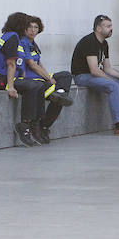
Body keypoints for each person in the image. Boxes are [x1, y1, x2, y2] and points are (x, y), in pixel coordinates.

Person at [0, 12, 45, 147]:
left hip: (0, 77)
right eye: (27, 25)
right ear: (21, 25)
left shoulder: (11, 36)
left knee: (38, 86)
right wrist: (10, 87)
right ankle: (24, 125)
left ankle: (35, 123)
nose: (29, 29)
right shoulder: (12, 38)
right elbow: (11, 64)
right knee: (31, 86)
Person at [20, 15, 75, 145]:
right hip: (31, 80)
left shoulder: (34, 44)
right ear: (25, 29)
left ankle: (59, 95)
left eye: (36, 27)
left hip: (40, 77)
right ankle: (43, 125)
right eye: (30, 27)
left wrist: (49, 77)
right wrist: (49, 78)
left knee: (66, 76)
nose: (33, 30)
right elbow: (32, 65)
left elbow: (39, 63)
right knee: (59, 96)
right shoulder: (23, 42)